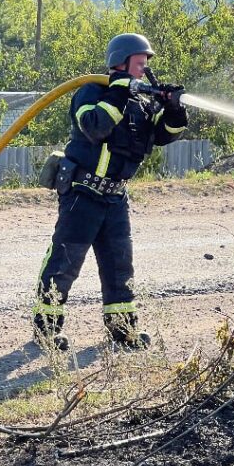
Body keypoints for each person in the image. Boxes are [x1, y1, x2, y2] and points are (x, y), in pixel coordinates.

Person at [33, 33, 189, 351]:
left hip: (116, 198)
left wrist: (173, 111)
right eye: (140, 63)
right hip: (82, 193)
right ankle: (46, 331)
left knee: (120, 266)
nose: (145, 69)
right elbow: (95, 126)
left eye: (147, 65)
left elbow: (163, 135)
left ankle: (122, 331)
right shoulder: (92, 91)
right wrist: (118, 91)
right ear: (122, 61)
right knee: (65, 262)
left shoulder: (141, 103)